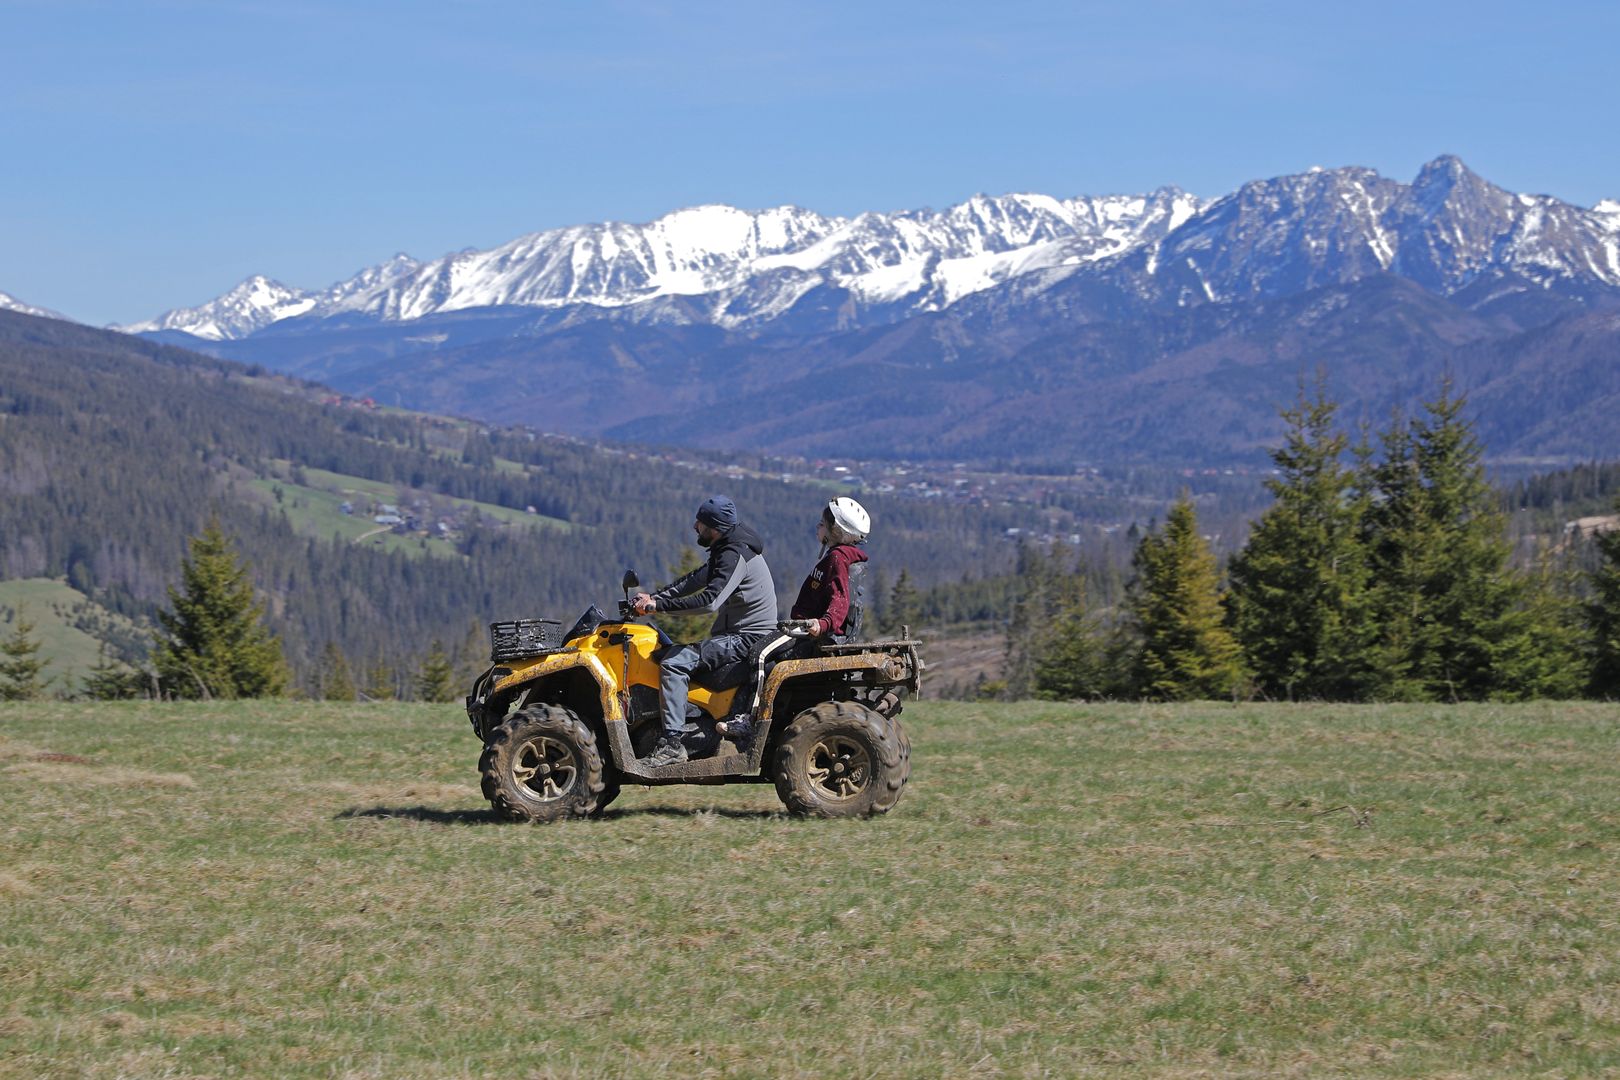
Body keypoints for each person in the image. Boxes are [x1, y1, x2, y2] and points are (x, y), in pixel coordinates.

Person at [631, 496, 777, 767]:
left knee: (674, 663)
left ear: (715, 527)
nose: (694, 526)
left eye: (701, 522)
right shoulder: (728, 547)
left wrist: (658, 606)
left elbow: (710, 601)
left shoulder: (735, 555)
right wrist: (652, 598)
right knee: (672, 653)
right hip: (739, 634)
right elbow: (695, 580)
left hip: (746, 638)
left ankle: (672, 744)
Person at [717, 496, 870, 750]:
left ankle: (748, 720)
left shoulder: (838, 559)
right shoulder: (839, 556)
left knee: (758, 653)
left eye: (823, 523)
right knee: (767, 654)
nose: (818, 527)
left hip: (809, 631)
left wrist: (823, 623)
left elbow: (840, 599)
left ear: (836, 531)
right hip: (809, 628)